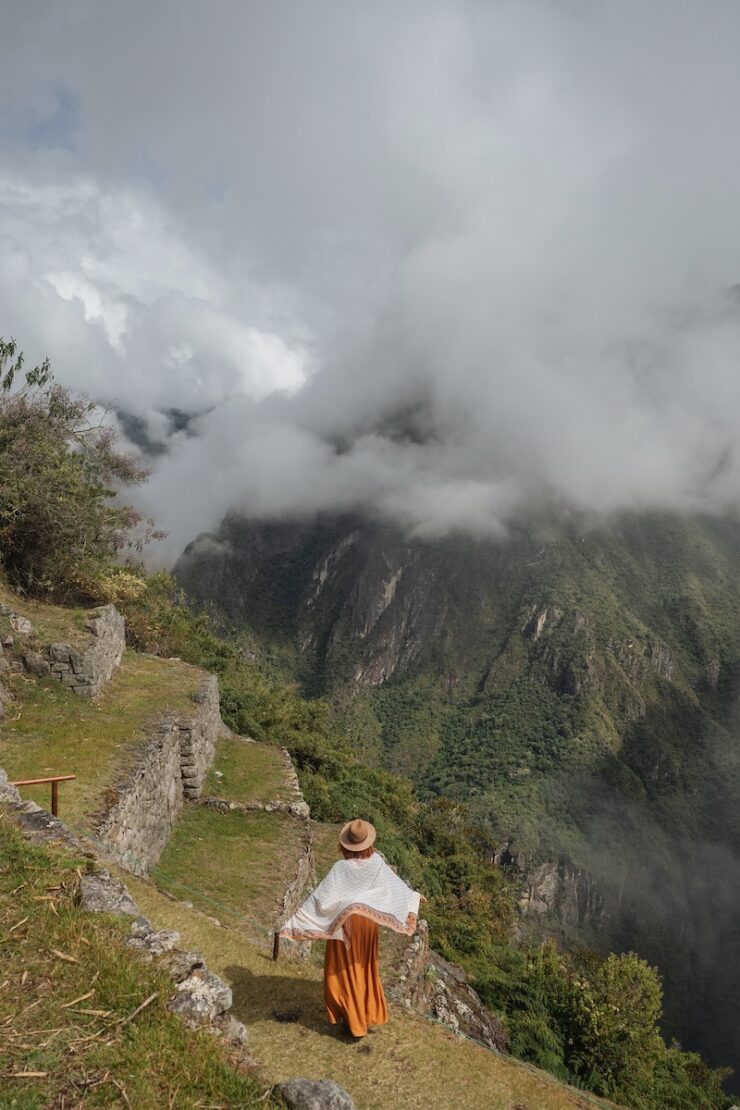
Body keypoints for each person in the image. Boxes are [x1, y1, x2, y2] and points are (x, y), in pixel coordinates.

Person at [279, 818, 423, 1038]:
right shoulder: (376, 863)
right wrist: (413, 898)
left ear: (346, 845)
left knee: (344, 971)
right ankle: (365, 1014)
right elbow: (396, 887)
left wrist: (294, 924)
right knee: (365, 967)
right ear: (369, 844)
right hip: (367, 925)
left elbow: (321, 899)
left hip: (346, 926)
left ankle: (354, 1022)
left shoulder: (341, 868)